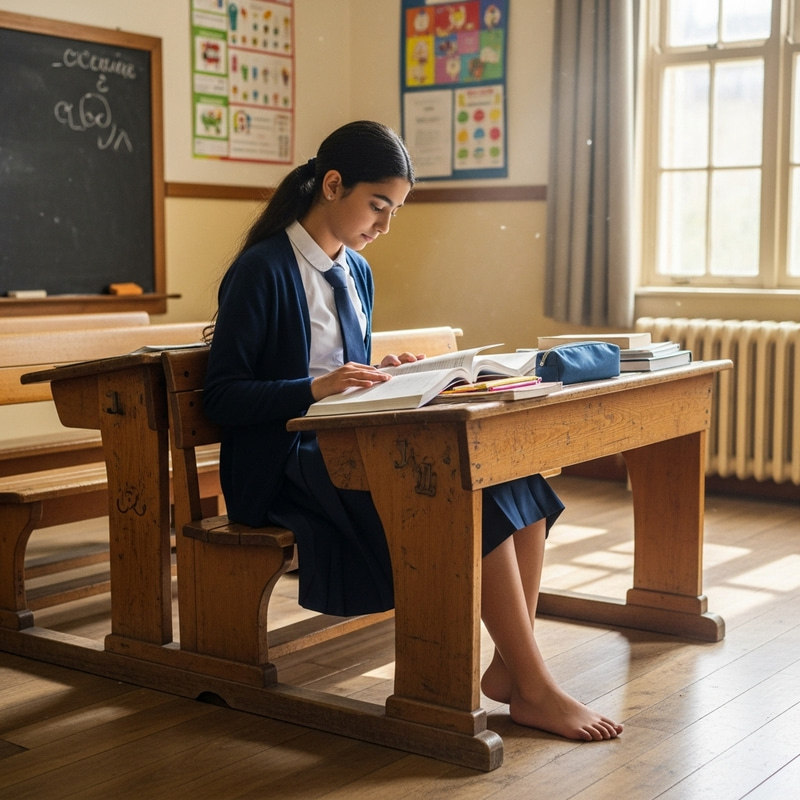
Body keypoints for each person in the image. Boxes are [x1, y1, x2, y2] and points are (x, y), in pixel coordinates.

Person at [203, 120, 623, 742]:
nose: (384, 225)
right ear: (332, 184)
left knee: (519, 479)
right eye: (378, 206)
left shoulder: (356, 271)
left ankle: (513, 669)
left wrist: (384, 373)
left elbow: (342, 367)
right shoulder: (262, 270)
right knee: (460, 491)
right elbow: (223, 397)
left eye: (394, 210)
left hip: (346, 440)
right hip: (288, 461)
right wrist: (314, 389)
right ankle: (535, 688)